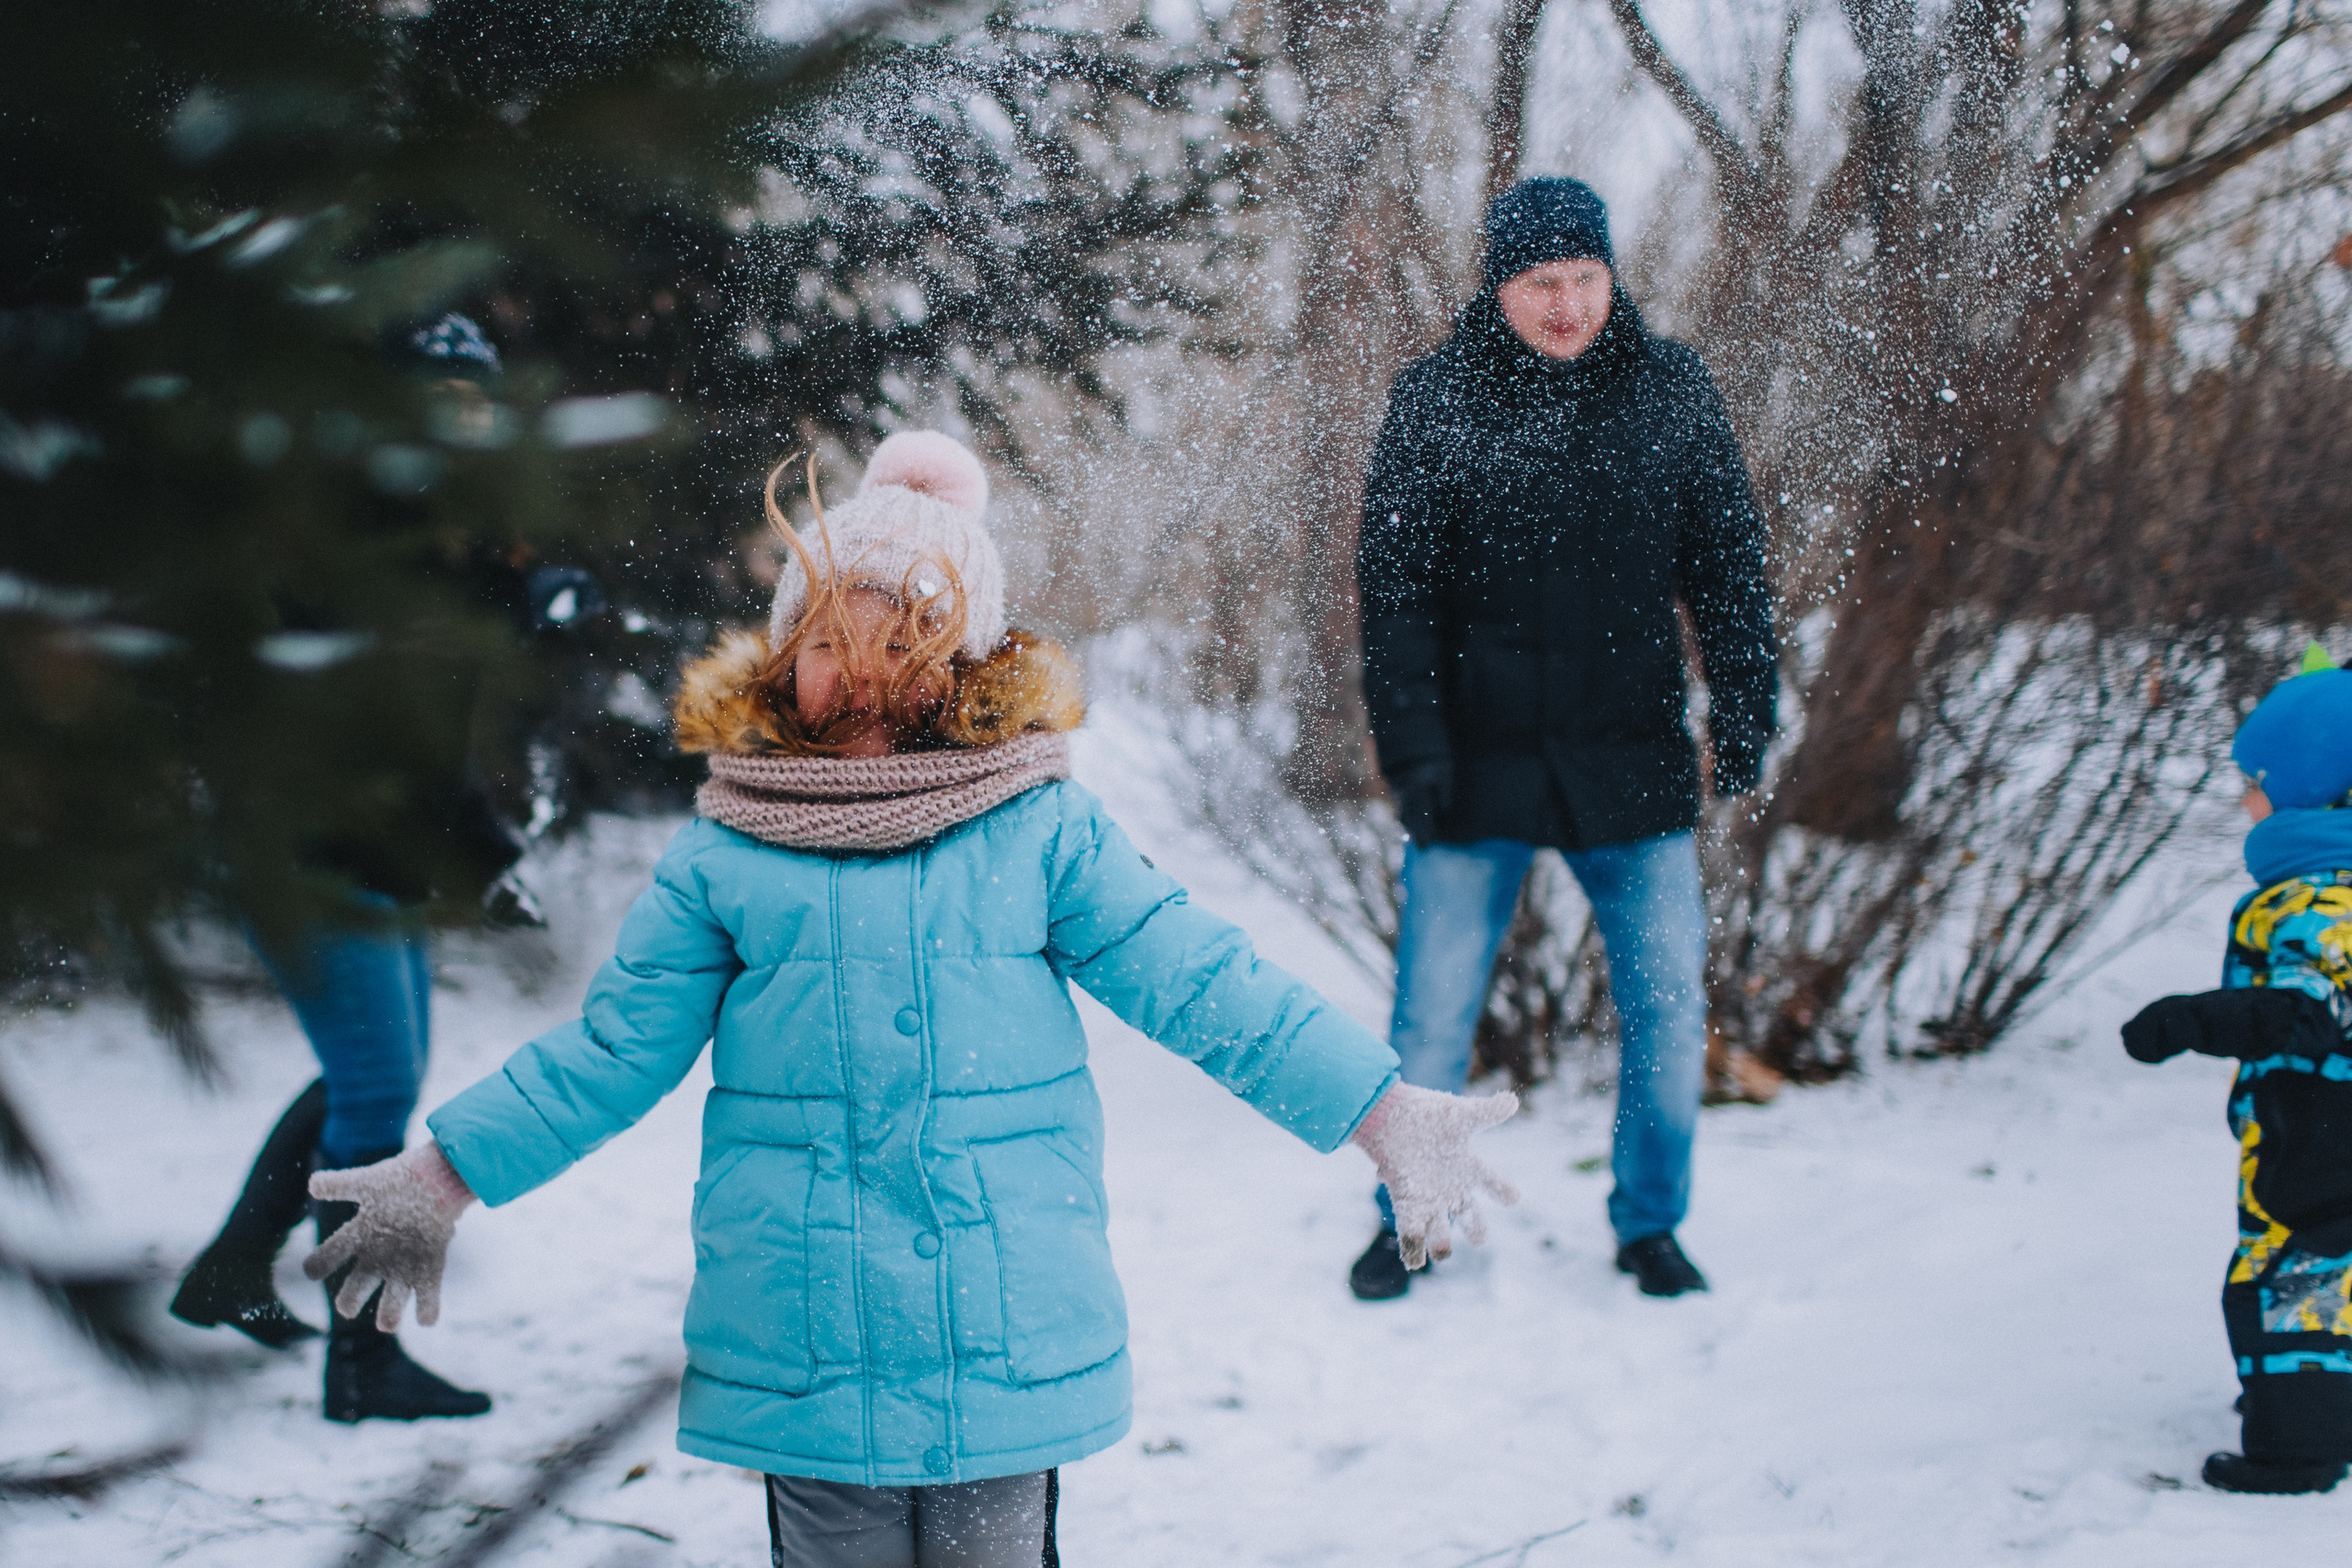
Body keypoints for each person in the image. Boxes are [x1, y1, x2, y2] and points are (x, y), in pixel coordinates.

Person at [296, 432, 1520, 1567]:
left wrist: (1378, 1108)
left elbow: (1206, 985)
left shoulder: (1039, 830)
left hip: (1006, 1333)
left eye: (903, 639)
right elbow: (611, 1051)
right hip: (807, 1341)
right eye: (829, 639)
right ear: (785, 658)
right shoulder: (729, 852)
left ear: (963, 660)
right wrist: (448, 1171)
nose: (863, 669)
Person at [1350, 176, 1778, 1302]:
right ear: (1499, 287)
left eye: (1586, 278)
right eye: (1542, 283)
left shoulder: (1669, 390)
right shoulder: (1435, 400)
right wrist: (1417, 756)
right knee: (1430, 1021)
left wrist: (1744, 705)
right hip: (1477, 763)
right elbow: (1395, 599)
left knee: (1668, 1009)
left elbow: (1728, 564)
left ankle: (1650, 1224)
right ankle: (1415, 1217)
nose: (1568, 305)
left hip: (1627, 756)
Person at [169, 313, 573, 1423]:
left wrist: (532, 589)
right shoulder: (350, 535)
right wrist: (487, 850)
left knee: (366, 1082)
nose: (465, 416)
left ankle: (231, 1270)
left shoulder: (443, 536)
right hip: (306, 853)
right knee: (376, 1102)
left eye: (476, 396)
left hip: (370, 857)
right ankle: (364, 1366)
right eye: (438, 395)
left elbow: (426, 726)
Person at [2121, 643, 2352, 1496]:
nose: (2242, 796)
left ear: (2308, 786)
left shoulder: (2318, 897)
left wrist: (2184, 1020)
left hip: (2316, 1127)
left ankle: (2295, 1450)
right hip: (2321, 1119)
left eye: (2254, 779)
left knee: (2292, 1279)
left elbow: (2305, 1009)